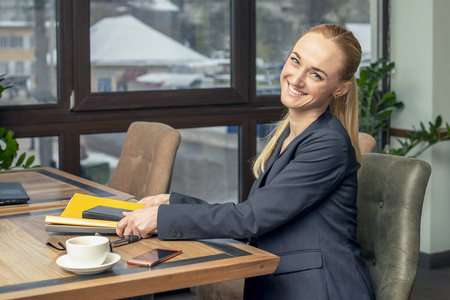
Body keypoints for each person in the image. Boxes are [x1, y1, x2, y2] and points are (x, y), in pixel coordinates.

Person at [117, 23, 375, 300]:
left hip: (321, 288)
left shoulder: (328, 143)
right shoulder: (291, 134)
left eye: (315, 74)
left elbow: (252, 219)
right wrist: (173, 202)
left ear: (339, 89)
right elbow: (254, 213)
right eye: (295, 60)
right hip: (283, 281)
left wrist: (161, 218)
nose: (296, 78)